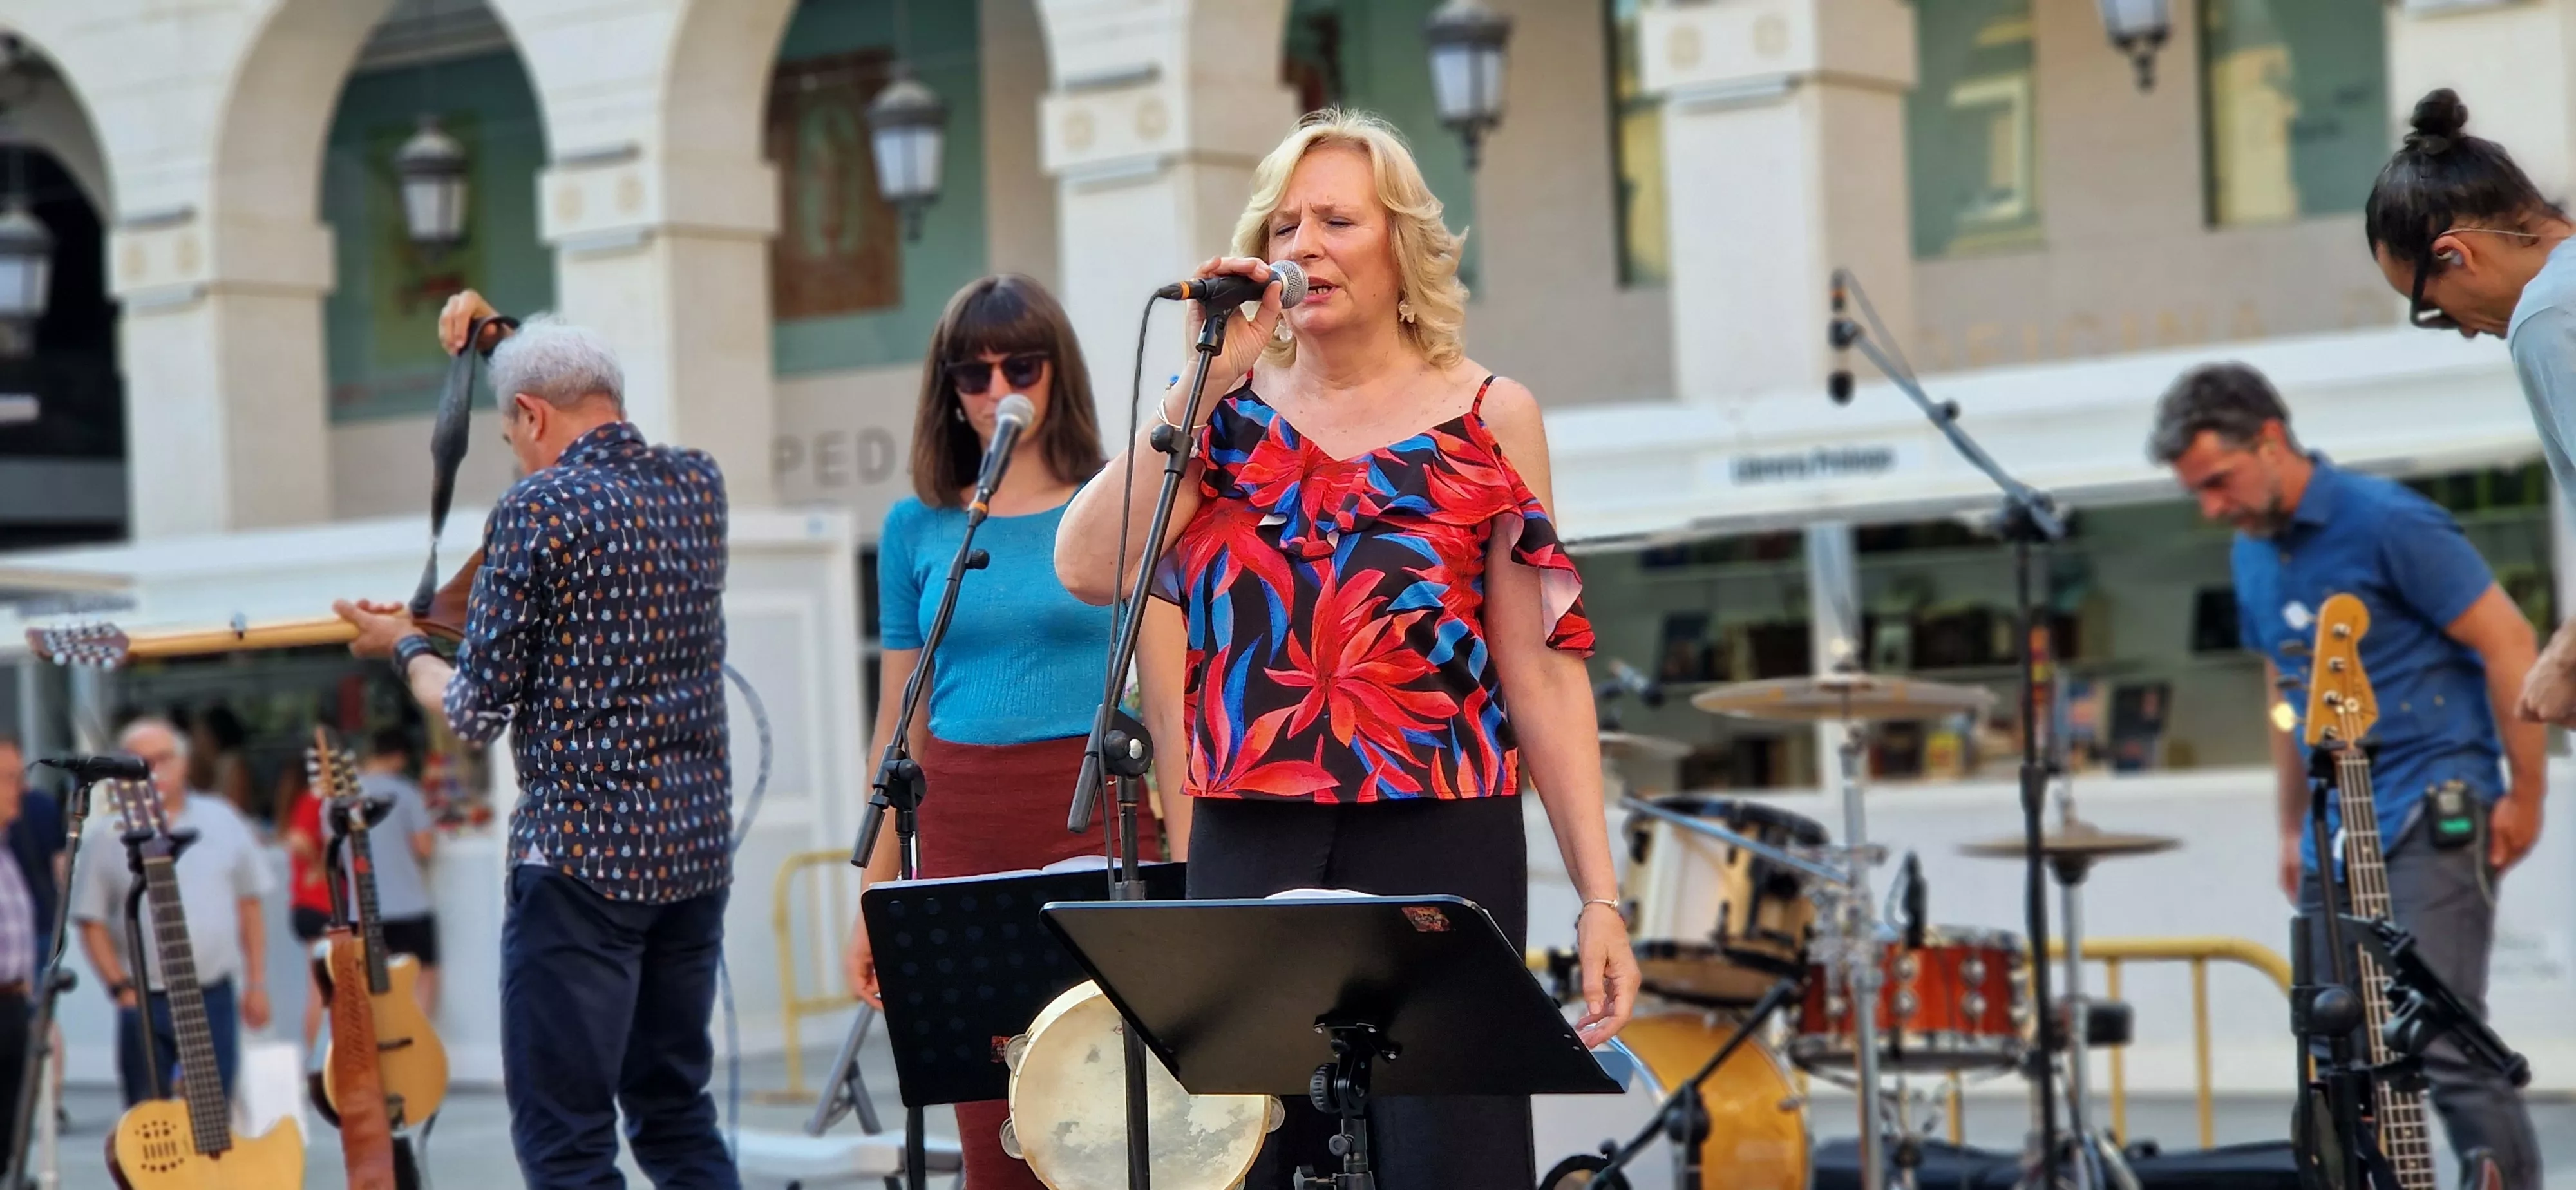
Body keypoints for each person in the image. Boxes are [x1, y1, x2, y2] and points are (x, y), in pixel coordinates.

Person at [1052, 108, 1638, 1187]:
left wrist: (1600, 895)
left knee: (1451, 1156)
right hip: (1251, 836)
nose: (1303, 245)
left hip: (1440, 832)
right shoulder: (1219, 423)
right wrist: (1203, 383)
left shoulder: (1488, 415)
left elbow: (1542, 669)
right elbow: (1088, 564)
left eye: (1335, 220)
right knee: (1264, 1157)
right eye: (1282, 227)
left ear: (1401, 244)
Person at [334, 294, 736, 1189]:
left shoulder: (537, 510)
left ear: (532, 417)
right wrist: (505, 344)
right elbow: (562, 389)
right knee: (676, 1116)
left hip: (584, 869)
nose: (514, 453)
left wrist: (400, 645)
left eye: (513, 434)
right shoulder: (696, 486)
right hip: (695, 856)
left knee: (567, 1142)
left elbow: (475, 710)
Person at [2148, 363, 2542, 1189]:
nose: (2210, 506)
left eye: (2217, 481)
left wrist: (2527, 792)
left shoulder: (2389, 520)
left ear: (2270, 439)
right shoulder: (2251, 550)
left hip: (2434, 793)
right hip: (2336, 821)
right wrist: (2291, 825)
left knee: (2439, 1036)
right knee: (2339, 1045)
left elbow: (2507, 642)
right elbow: (2283, 691)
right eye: (2197, 492)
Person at [837, 274, 1136, 1190]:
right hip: (962, 821)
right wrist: (874, 896)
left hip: (1093, 809)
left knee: (1110, 1102)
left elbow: (1170, 694)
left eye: (1022, 363)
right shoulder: (918, 525)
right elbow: (900, 720)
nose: (998, 385)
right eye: (973, 370)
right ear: (948, 388)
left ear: (1059, 373)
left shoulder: (1116, 499)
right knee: (992, 1109)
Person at [2364, 89, 2576, 735]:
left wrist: (2562, 659)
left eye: (2431, 306)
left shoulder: (2547, 314)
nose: (2455, 328)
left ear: (2455, 253)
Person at [71, 717, 272, 1107]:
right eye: (138, 760)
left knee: (215, 1108)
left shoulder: (222, 818)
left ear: (183, 762)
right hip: (146, 999)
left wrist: (257, 984)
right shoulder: (107, 836)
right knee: (151, 1118)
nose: (152, 770)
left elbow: (249, 904)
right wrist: (119, 987)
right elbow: (90, 920)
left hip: (211, 993)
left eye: (162, 758)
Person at [345, 727, 442, 1017]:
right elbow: (424, 847)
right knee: (424, 974)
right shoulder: (405, 791)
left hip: (361, 909)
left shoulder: (342, 799)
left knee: (369, 983)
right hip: (407, 903)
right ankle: (417, 1037)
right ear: (399, 757)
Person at [0, 737, 63, 1148]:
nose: (21, 788)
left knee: (11, 1137)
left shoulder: (7, 852)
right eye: (8, 778)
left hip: (12, 1004)